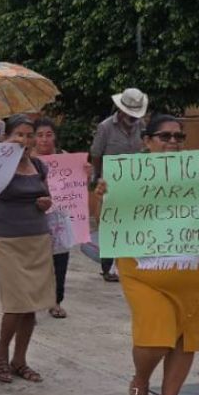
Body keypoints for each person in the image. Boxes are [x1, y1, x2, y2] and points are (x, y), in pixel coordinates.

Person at [97, 115, 199, 395]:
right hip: (143, 272)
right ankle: (140, 380)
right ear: (147, 141)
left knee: (184, 341)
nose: (173, 143)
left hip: (192, 272)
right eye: (164, 137)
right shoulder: (128, 176)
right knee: (155, 338)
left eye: (179, 137)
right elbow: (103, 220)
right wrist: (103, 195)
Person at [0, 115, 55, 383]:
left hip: (37, 238)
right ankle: (1, 354)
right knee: (16, 304)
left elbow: (46, 194)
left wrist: (46, 202)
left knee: (32, 305)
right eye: (19, 135)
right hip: (7, 239)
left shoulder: (38, 164)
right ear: (8, 136)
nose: (25, 140)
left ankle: (20, 360)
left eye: (30, 135)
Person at [90, 88, 149, 282]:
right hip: (110, 184)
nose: (133, 117)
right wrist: (97, 176)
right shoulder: (105, 127)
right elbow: (97, 154)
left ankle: (128, 265)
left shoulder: (142, 127)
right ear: (121, 109)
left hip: (135, 184)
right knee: (108, 226)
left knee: (133, 225)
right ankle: (107, 267)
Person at [32, 117, 85, 319]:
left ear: (55, 137)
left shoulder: (66, 159)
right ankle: (33, 303)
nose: (44, 140)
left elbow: (79, 184)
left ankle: (56, 301)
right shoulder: (27, 160)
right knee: (36, 262)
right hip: (35, 218)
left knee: (60, 261)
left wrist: (86, 173)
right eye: (40, 135)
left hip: (60, 218)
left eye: (49, 134)